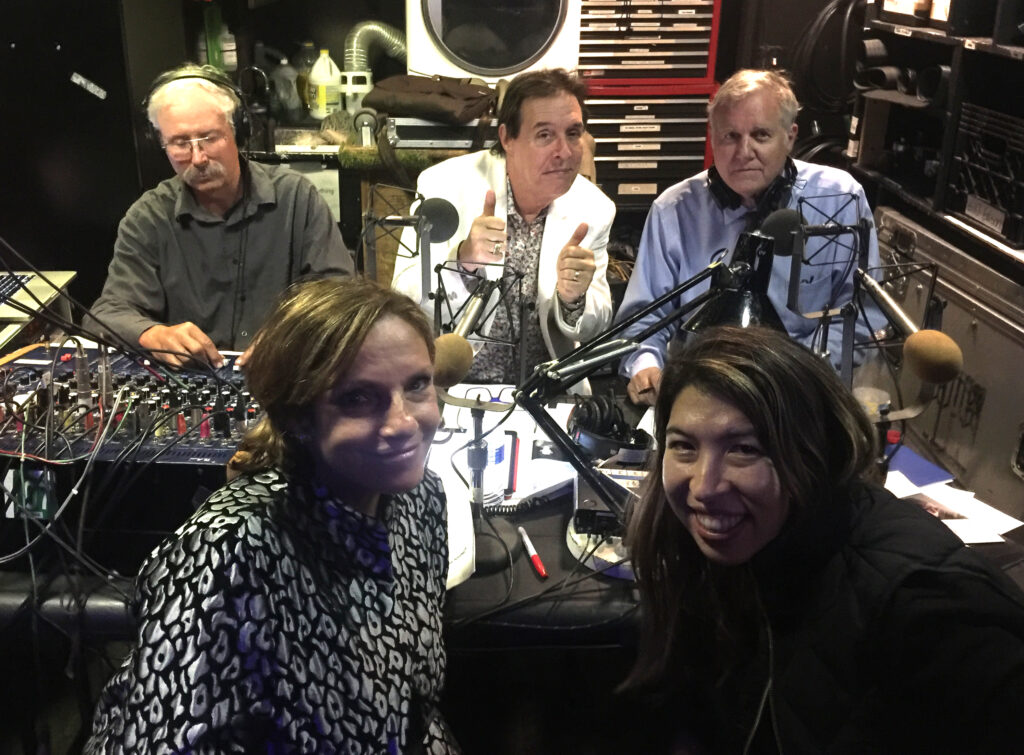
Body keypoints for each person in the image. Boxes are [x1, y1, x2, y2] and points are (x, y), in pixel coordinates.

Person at [85, 278, 459, 753]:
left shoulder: (422, 499)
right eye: (359, 399)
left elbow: (413, 706)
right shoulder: (225, 553)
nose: (404, 423)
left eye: (417, 385)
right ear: (298, 418)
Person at [622, 325, 1024, 753]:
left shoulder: (930, 609)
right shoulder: (737, 547)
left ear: (812, 452)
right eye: (684, 446)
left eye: (744, 449)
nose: (704, 487)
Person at [615, 69, 884, 405]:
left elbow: (863, 315)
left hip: (803, 391)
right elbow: (644, 321)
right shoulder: (673, 209)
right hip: (702, 392)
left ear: (790, 136)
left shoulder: (840, 199)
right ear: (712, 138)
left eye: (760, 135)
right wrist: (646, 366)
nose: (744, 151)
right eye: (730, 136)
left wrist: (790, 377)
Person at [87, 63, 355, 369]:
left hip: (283, 374)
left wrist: (292, 334)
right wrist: (153, 335)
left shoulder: (296, 199)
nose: (198, 158)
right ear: (161, 143)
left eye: (210, 138)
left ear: (238, 131)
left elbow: (341, 294)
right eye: (180, 143)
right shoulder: (148, 218)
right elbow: (109, 312)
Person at [392, 68, 616, 389]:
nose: (564, 152)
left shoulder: (594, 208)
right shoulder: (443, 185)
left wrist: (573, 299)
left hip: (544, 391)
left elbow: (595, 322)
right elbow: (403, 300)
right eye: (544, 135)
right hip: (453, 386)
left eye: (572, 133)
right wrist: (463, 260)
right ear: (507, 138)